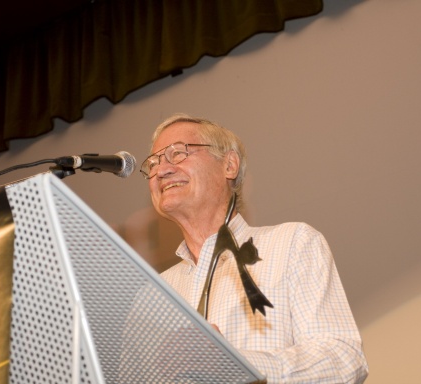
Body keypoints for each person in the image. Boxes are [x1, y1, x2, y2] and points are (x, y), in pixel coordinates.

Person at [140, 113, 369, 383]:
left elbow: (343, 358)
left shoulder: (292, 243)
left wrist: (238, 365)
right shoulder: (150, 296)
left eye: (178, 153)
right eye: (153, 163)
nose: (161, 170)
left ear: (229, 165)